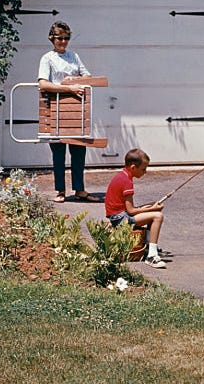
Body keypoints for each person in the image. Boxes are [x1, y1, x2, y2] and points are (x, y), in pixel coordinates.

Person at [37, 21, 99, 204]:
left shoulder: (74, 56)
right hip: (56, 108)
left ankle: (79, 190)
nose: (63, 42)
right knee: (58, 152)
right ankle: (60, 190)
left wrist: (76, 80)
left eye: (66, 38)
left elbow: (87, 76)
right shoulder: (47, 58)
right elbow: (43, 83)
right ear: (52, 38)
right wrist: (69, 88)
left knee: (79, 149)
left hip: (76, 109)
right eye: (59, 38)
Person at [104, 148, 168, 269]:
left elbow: (130, 209)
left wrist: (150, 207)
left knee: (153, 212)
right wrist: (152, 209)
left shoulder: (122, 176)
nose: (145, 172)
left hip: (118, 215)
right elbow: (131, 211)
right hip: (120, 219)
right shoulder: (127, 182)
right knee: (158, 216)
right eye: (143, 169)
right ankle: (151, 256)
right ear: (133, 167)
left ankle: (148, 248)